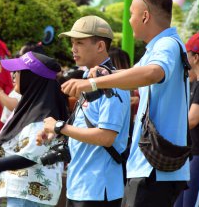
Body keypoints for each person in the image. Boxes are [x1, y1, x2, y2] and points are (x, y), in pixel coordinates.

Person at [58, 0, 190, 207]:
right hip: (151, 167)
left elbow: (153, 73)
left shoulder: (166, 45)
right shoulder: (155, 49)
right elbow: (131, 74)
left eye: (131, 13)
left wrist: (94, 82)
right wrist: (106, 73)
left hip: (153, 169)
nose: (129, 20)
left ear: (145, 16)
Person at [36, 16, 130, 207]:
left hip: (98, 189)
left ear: (100, 46)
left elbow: (106, 136)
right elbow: (86, 126)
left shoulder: (112, 83)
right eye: (72, 42)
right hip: (81, 186)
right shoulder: (89, 78)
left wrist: (60, 127)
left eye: (80, 42)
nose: (73, 48)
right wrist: (55, 133)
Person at [0, 51, 69, 207]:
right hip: (22, 192)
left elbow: (30, 156)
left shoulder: (43, 116)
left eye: (18, 72)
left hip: (29, 196)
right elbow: (24, 142)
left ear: (31, 78)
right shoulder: (31, 107)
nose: (13, 75)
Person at [174, 33, 199, 207]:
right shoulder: (196, 83)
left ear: (196, 57)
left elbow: (192, 119)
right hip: (191, 156)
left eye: (187, 54)